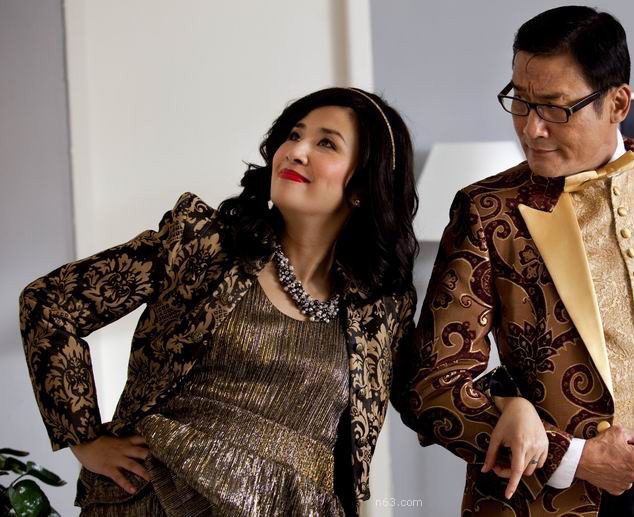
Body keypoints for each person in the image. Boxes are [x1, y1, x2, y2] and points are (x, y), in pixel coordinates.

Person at [393, 6, 634, 516]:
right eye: (519, 101)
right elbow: (429, 386)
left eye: (555, 108)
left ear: (617, 102)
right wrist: (571, 457)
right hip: (545, 502)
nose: (531, 128)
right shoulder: (487, 211)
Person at [20, 87, 418, 516]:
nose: (296, 151)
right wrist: (84, 438)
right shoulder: (202, 247)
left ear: (363, 186)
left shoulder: (380, 310)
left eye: (326, 143)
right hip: (156, 498)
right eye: (294, 135)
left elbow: (428, 396)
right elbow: (50, 303)